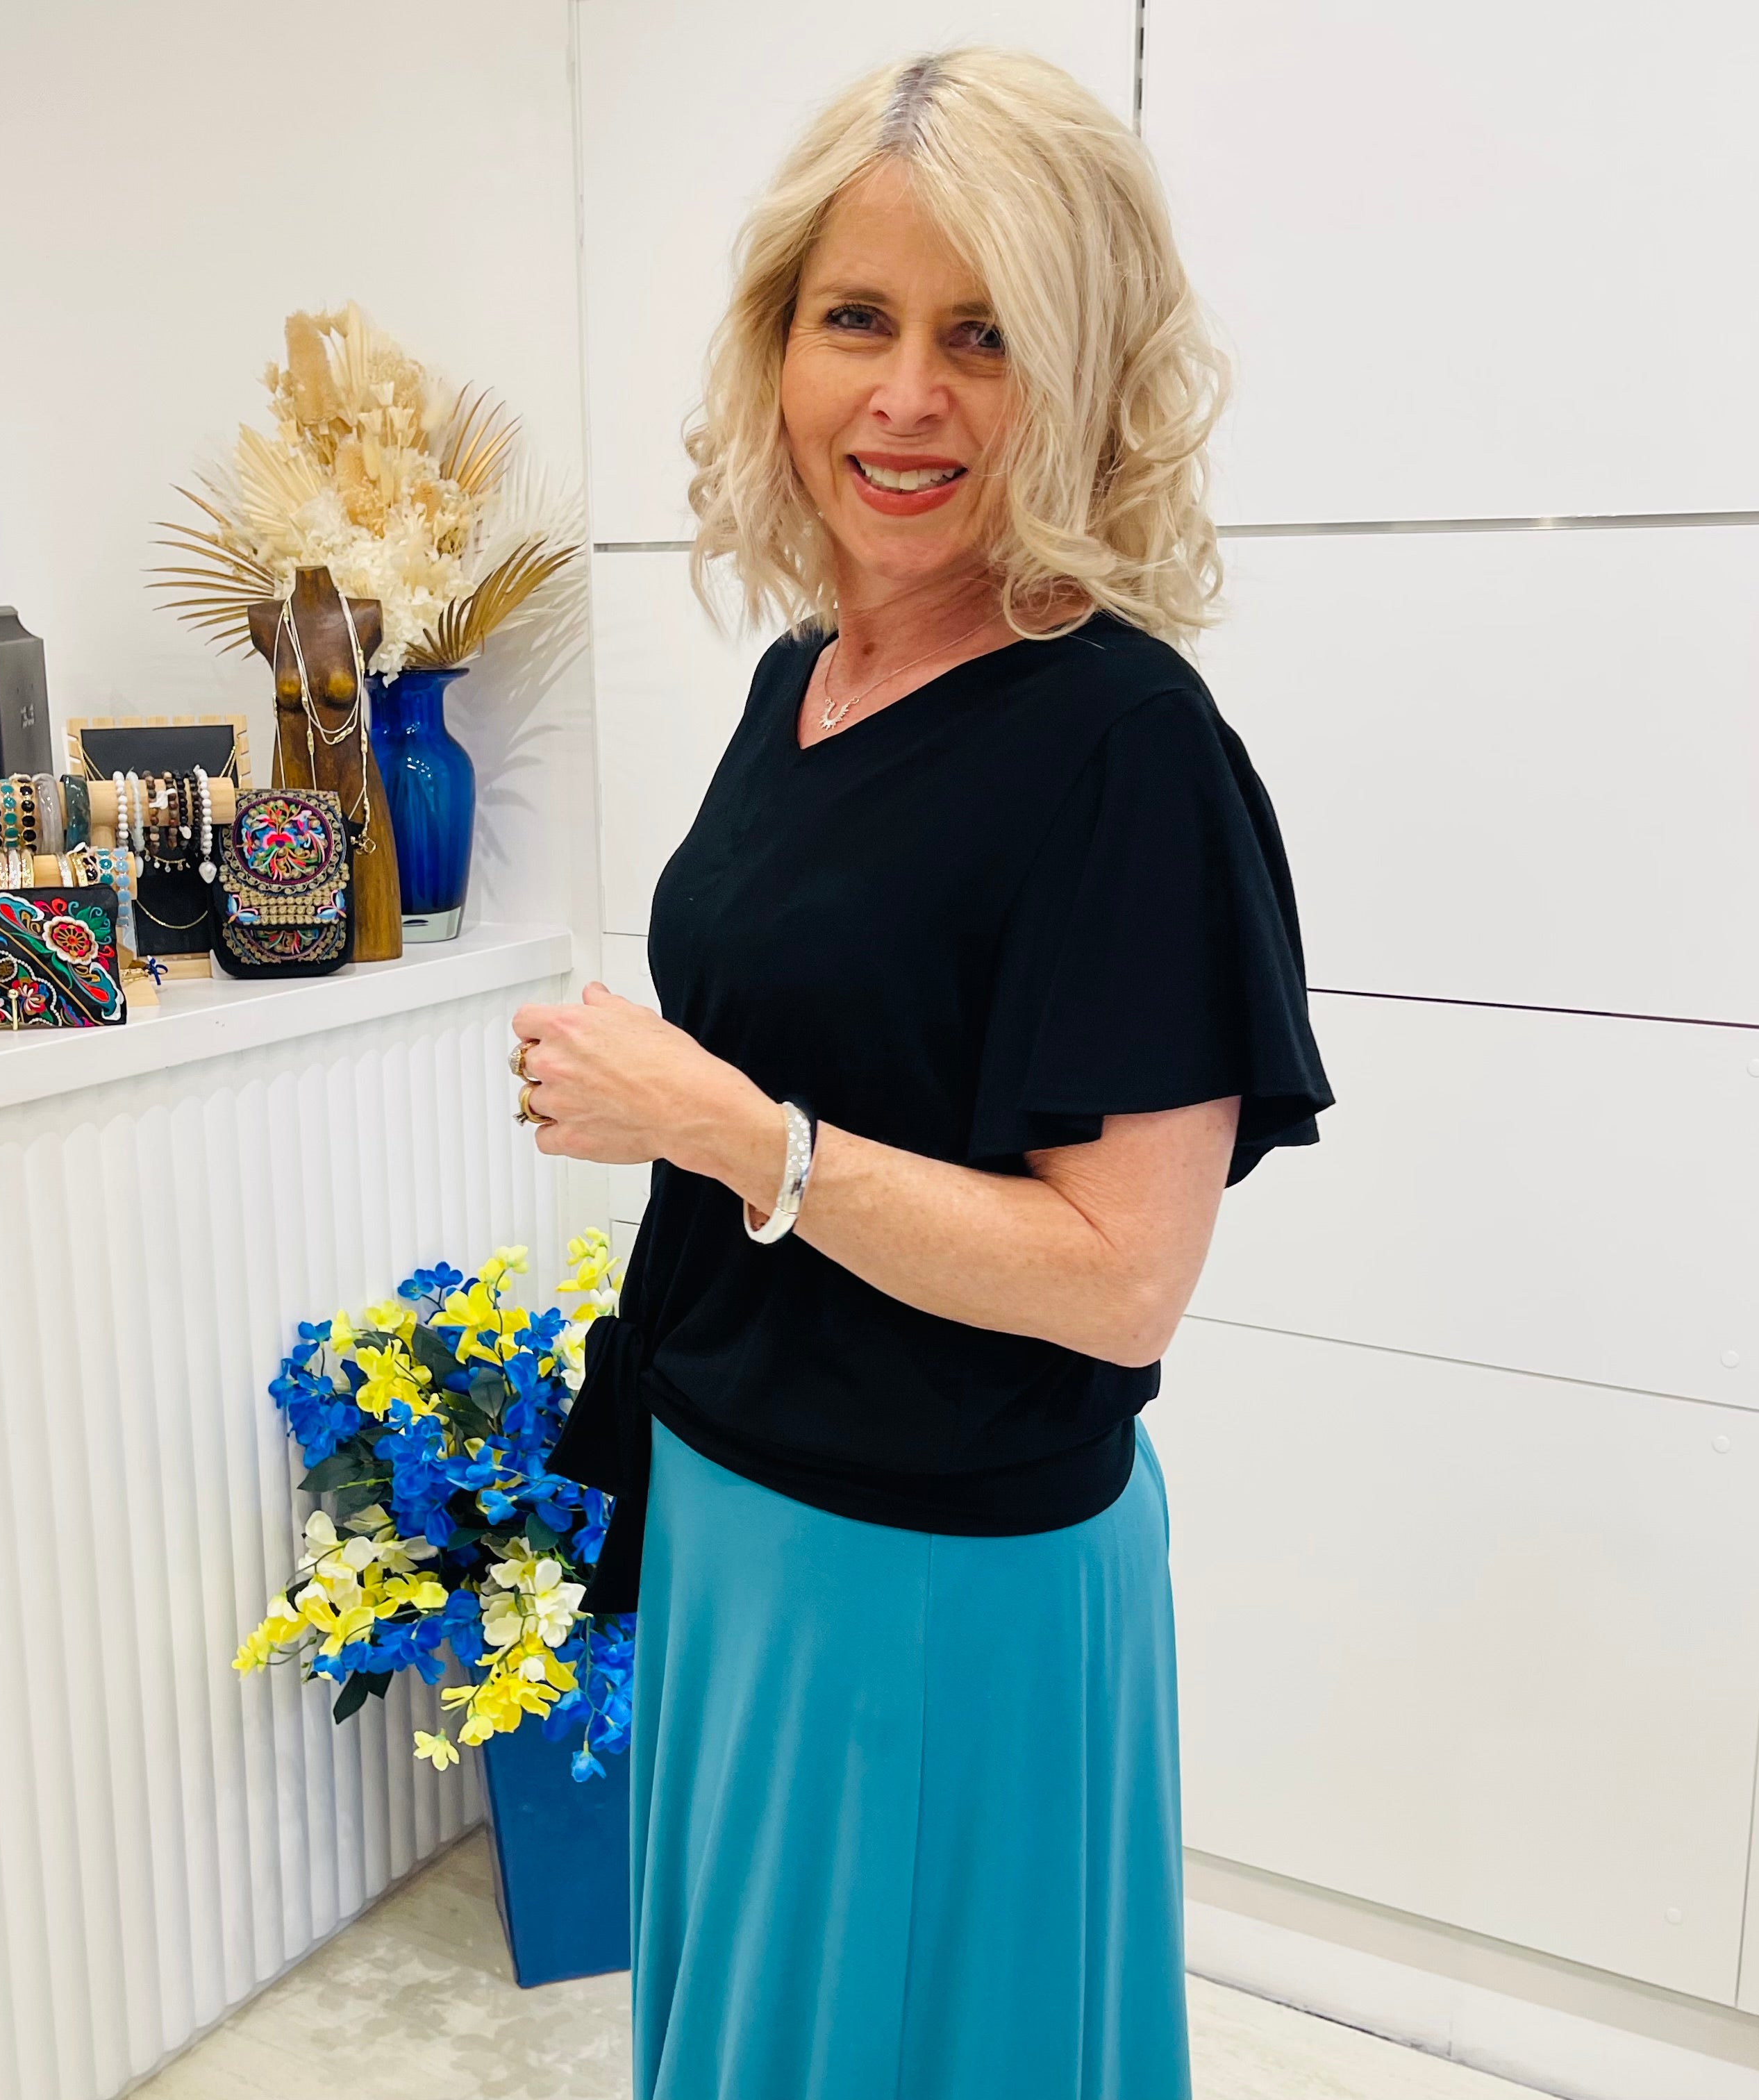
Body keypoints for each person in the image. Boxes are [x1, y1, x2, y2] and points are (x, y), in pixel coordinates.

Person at [510, 46, 1333, 2100]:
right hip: (742, 1512)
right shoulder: (810, 675)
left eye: (986, 336)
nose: (905, 397)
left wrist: (720, 1127)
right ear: (774, 348)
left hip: (943, 1581)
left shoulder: (1124, 750)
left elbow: (1119, 1275)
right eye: (854, 320)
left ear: (1085, 372)